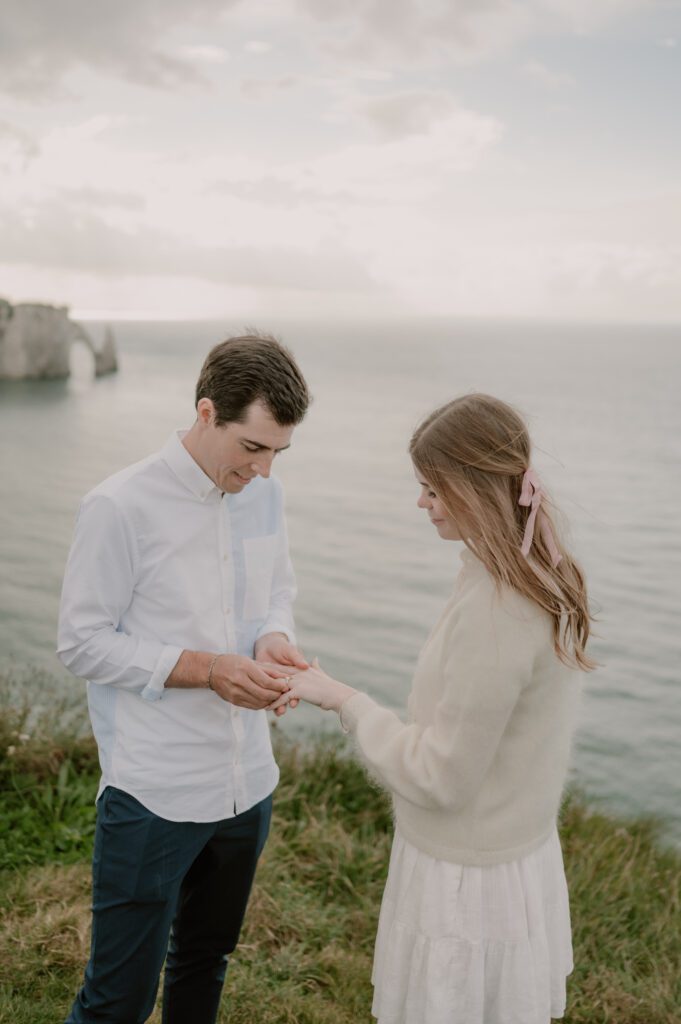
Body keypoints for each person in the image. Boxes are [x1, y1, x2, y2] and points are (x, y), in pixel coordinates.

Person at [271, 393, 595, 1024]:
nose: (421, 503)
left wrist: (344, 701)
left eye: (432, 489)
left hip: (468, 882)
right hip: (515, 853)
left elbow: (441, 776)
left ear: (473, 488)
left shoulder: (497, 609)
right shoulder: (537, 566)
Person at [57, 331, 310, 1024]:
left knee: (205, 964)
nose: (263, 469)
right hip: (155, 792)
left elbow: (276, 592)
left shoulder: (264, 496)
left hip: (247, 782)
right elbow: (81, 643)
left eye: (278, 452)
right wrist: (208, 670)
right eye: (252, 447)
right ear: (206, 412)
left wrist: (275, 638)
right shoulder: (118, 506)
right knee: (117, 1003)